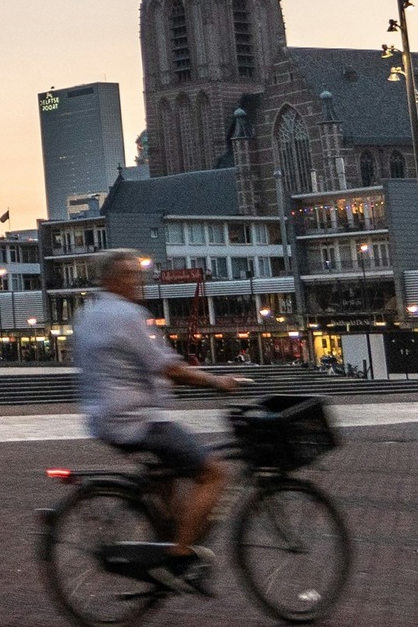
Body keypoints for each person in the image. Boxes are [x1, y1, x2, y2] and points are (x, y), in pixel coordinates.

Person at [73, 248, 242, 593]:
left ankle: (167, 551)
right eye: (131, 275)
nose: (139, 282)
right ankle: (179, 560)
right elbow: (166, 366)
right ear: (112, 280)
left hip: (103, 418)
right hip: (139, 420)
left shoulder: (89, 314)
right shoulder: (127, 315)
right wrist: (216, 381)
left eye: (139, 274)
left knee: (167, 486)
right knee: (214, 473)